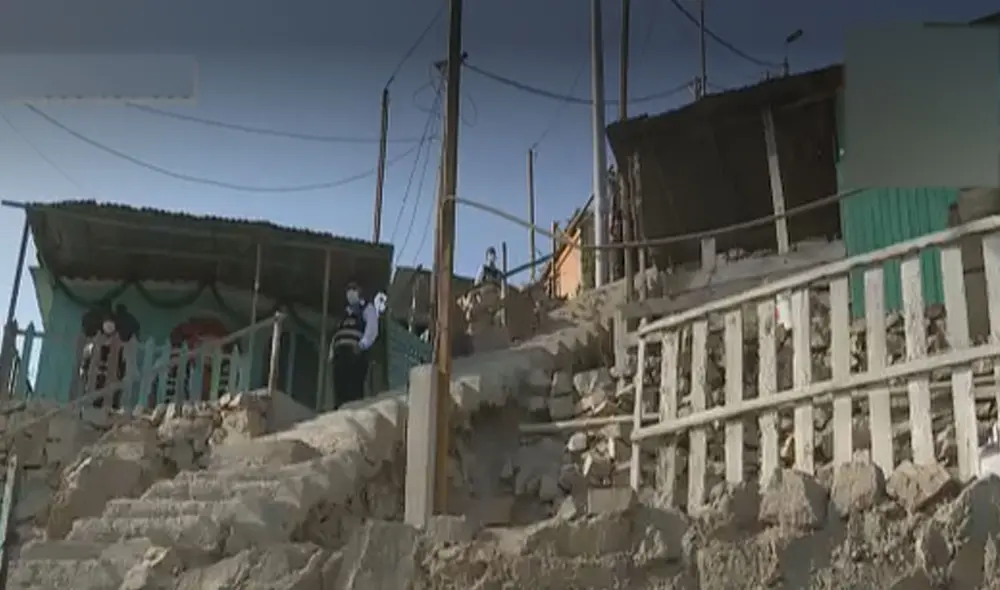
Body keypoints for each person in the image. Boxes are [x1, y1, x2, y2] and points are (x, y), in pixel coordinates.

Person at [329, 281, 380, 407]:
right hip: (340, 355)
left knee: (353, 389)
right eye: (348, 289)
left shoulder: (366, 308)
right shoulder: (345, 312)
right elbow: (337, 334)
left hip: (355, 353)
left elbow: (372, 329)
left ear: (360, 291)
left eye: (353, 288)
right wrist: (331, 353)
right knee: (339, 389)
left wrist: (362, 345)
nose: (350, 292)